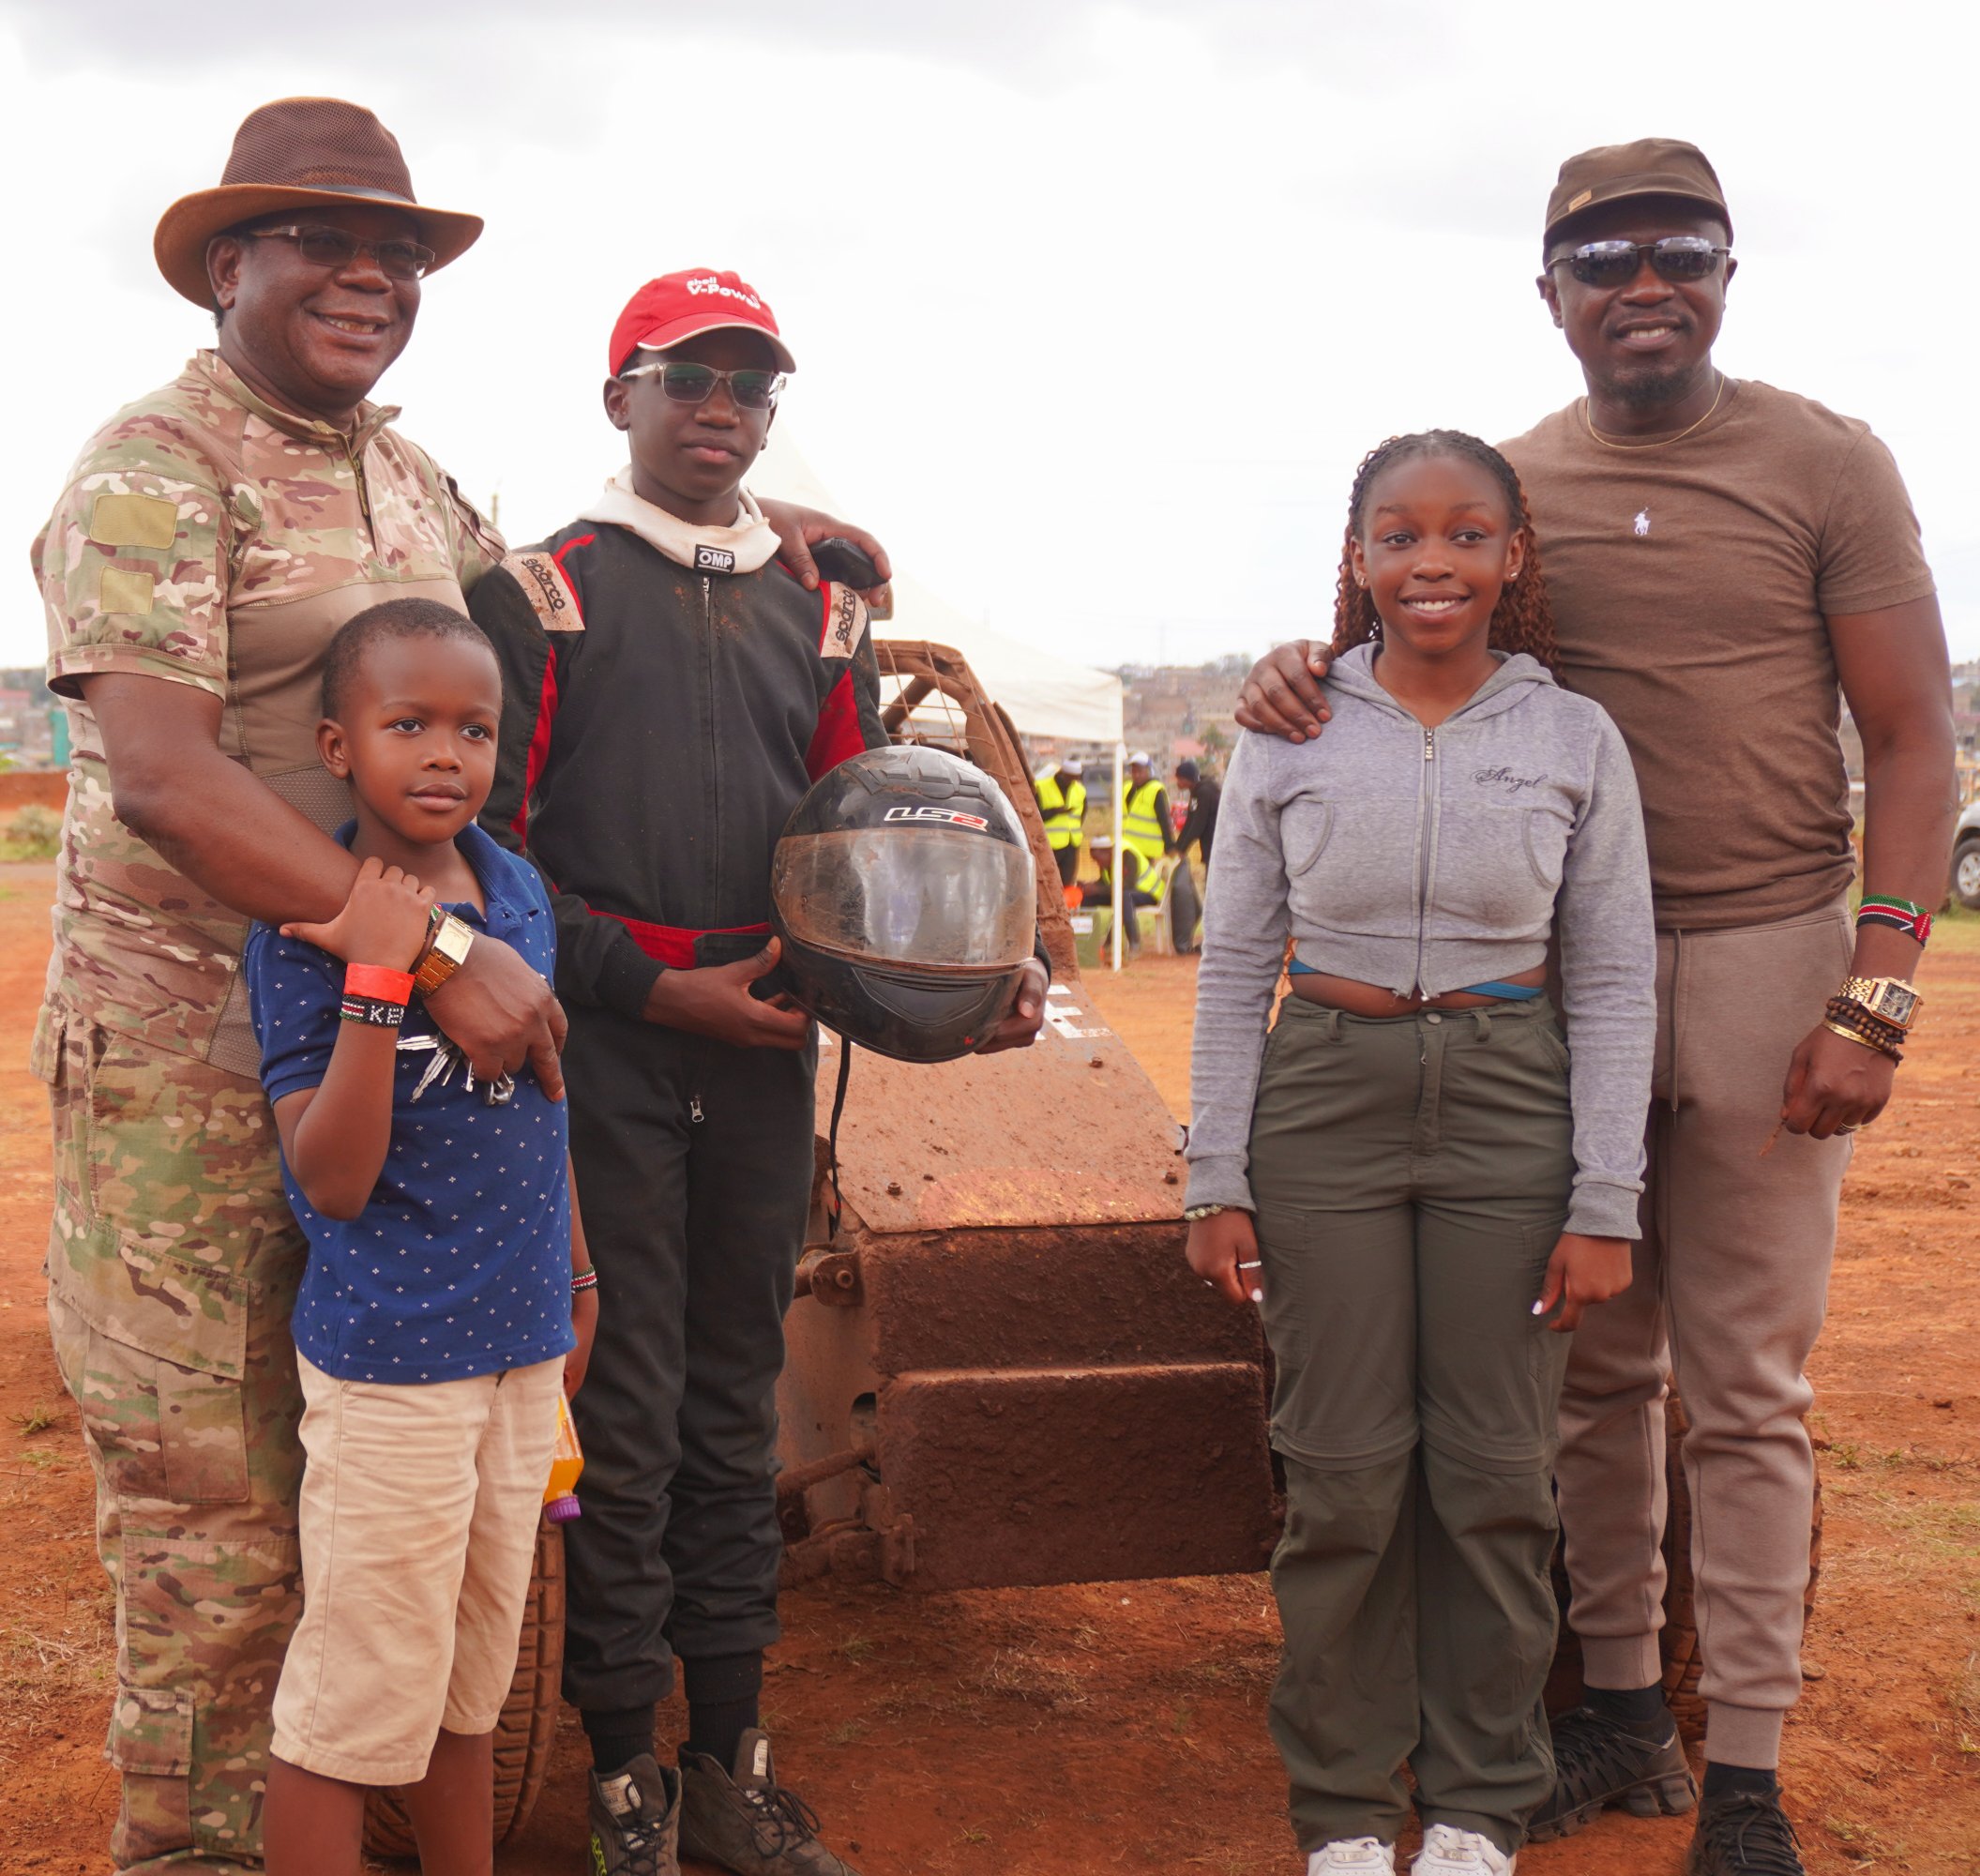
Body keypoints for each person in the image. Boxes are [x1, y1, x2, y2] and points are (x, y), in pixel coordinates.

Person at [33, 98, 892, 1876]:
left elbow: (553, 589)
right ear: (225, 264)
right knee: (221, 1511)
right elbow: (168, 778)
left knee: (392, 1498)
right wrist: (432, 947)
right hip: (195, 1073)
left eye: (398, 252)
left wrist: (767, 512)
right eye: (323, 243)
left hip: (414, 1083)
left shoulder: (408, 480)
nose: (369, 276)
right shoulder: (149, 468)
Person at [1235, 141, 1957, 1876]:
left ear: (1726, 272)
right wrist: (1288, 666)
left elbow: (1916, 734)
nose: (1645, 285)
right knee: (1587, 1367)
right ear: (1549, 291)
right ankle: (1619, 1707)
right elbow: (1422, 626)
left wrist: (1878, 991)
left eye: (1679, 252)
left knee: (1745, 1385)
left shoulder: (1823, 459)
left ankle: (1753, 1774)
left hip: (1778, 948)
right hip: (1561, 979)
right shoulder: (1518, 477)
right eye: (1604, 258)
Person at [468, 268, 1049, 1876]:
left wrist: (959, 989)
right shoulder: (539, 594)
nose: (719, 408)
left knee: (734, 1409)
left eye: (749, 385)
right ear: (621, 401)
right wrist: (655, 985)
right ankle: (616, 1783)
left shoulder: (822, 604)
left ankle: (728, 1766)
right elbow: (495, 861)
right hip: (600, 1057)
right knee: (628, 1411)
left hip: (764, 1052)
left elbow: (856, 840)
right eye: (686, 378)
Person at [1188, 431, 1654, 1876]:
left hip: (1512, 1101)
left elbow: (1613, 980)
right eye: (1398, 537)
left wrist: (1601, 1195)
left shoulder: (1571, 738)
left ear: (1512, 559)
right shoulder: (1290, 725)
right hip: (1320, 1097)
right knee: (1336, 1471)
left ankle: (1472, 1804)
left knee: (1495, 1474)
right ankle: (1337, 1809)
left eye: (1463, 536)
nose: (1430, 563)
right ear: (1358, 560)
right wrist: (1214, 1174)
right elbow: (1228, 968)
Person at [243, 599, 595, 1876]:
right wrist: (384, 983)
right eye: (409, 725)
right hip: (393, 1366)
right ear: (339, 747)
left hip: (514, 1350)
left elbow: (546, 1103)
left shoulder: (518, 892)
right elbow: (331, 1179)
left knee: (466, 1693)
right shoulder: (307, 924)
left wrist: (576, 1274)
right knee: (349, 1715)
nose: (446, 755)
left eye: (475, 730)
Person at [1080, 835, 1161, 954]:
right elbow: (1105, 883)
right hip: (1124, 894)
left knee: (1124, 896)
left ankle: (1135, 944)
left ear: (1107, 851)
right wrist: (1088, 886)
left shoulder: (1126, 855)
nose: (1097, 864)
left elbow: (1128, 885)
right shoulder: (1106, 862)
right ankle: (1086, 941)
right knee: (1088, 897)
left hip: (1149, 893)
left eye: (1097, 859)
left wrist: (1097, 889)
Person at [1035, 756, 1087, 887]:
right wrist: (1055, 811)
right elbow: (1034, 816)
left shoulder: (1080, 790)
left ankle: (1065, 907)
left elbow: (1083, 813)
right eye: (1070, 777)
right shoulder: (1041, 787)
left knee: (1068, 883)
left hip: (1072, 843)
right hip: (1049, 844)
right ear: (1062, 773)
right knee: (1046, 882)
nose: (1073, 781)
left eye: (1076, 778)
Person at [1172, 756, 1220, 868]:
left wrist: (1182, 850)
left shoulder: (1205, 792)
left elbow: (1198, 824)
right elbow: (1190, 820)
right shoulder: (1196, 792)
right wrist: (1178, 847)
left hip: (1216, 846)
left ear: (1186, 779)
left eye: (1179, 779)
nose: (1177, 783)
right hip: (1209, 845)